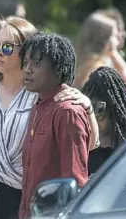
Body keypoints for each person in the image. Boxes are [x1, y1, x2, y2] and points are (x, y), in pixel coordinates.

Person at [0, 16, 98, 219]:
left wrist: (87, 107)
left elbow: (91, 142)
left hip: (21, 198)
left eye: (7, 47)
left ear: (27, 51)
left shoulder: (42, 93)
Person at [19, 32, 92, 219]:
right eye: (25, 62)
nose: (27, 69)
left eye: (36, 64)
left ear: (58, 70)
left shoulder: (67, 111)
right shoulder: (37, 105)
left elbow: (75, 181)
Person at [82, 66, 126, 175]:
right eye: (88, 110)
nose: (93, 117)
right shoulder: (83, 145)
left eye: (99, 109)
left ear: (115, 110)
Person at [73, 12, 119, 89]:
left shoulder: (74, 61)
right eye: (114, 35)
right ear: (103, 39)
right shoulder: (101, 72)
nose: (117, 41)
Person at [96, 8, 126, 89]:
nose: (124, 34)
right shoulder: (100, 58)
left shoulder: (110, 56)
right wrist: (113, 50)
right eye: (120, 30)